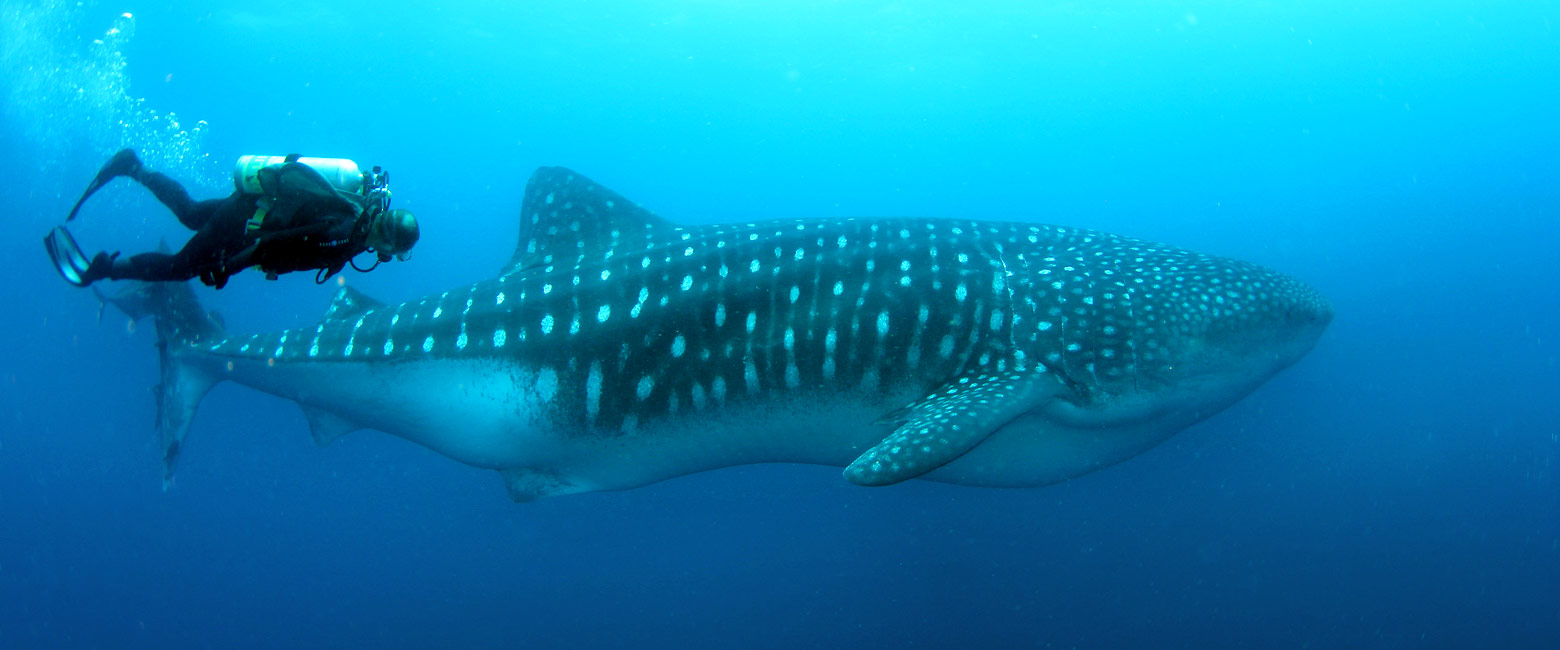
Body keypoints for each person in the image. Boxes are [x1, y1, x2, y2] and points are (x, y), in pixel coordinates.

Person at [43, 149, 419, 289]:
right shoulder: (342, 231)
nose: (386, 256)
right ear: (386, 244)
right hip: (246, 224)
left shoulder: (354, 212)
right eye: (392, 251)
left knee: (190, 213)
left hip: (253, 205)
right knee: (179, 268)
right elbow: (270, 246)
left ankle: (134, 168)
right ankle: (104, 269)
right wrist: (229, 267)